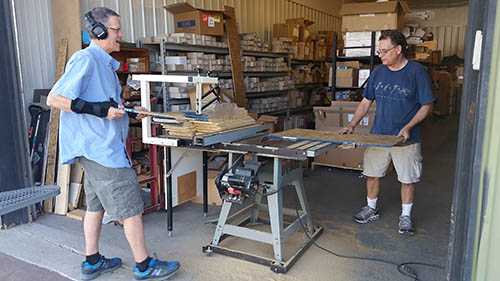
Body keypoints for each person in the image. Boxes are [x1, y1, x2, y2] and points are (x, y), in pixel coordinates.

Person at [47, 7, 180, 280]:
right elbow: (55, 99)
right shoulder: (86, 60)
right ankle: (144, 267)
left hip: (98, 148)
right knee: (131, 207)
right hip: (100, 150)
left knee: (95, 206)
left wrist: (130, 108)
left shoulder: (106, 65)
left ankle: (92, 261)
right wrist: (100, 110)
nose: (121, 35)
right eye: (116, 30)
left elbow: (107, 104)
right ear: (99, 32)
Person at [338, 30, 435, 235]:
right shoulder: (378, 73)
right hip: (378, 135)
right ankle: (371, 209)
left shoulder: (416, 72)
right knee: (372, 174)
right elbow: (365, 102)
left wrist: (408, 126)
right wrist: (352, 125)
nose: (380, 55)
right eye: (379, 51)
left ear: (398, 49)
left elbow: (427, 105)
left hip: (406, 139)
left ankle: (406, 216)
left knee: (407, 179)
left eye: (384, 51)